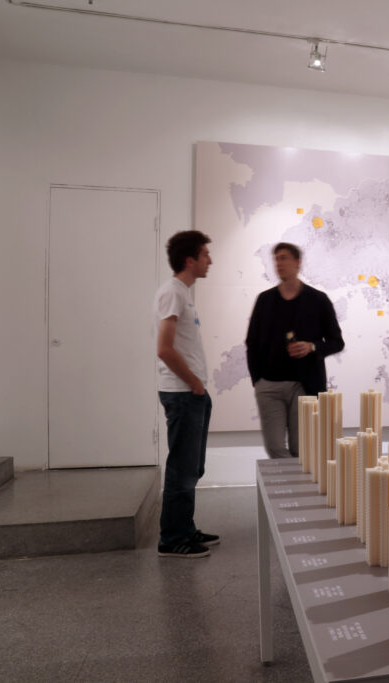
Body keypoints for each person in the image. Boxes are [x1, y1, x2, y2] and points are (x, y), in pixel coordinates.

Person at [154, 230, 219, 559]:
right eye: (206, 254)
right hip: (182, 394)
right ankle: (173, 538)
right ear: (190, 260)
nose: (211, 260)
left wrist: (199, 388)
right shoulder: (173, 293)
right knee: (182, 467)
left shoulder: (183, 293)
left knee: (192, 467)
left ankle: (185, 527)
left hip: (192, 393)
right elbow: (164, 349)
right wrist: (194, 383)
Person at [246, 242, 344, 459]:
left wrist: (312, 346)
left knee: (301, 449)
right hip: (269, 385)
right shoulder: (265, 300)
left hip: (305, 385)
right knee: (274, 447)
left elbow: (337, 342)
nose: (278, 263)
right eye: (276, 259)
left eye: (283, 258)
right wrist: (257, 379)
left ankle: (299, 491)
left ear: (297, 262)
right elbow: (251, 342)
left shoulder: (318, 300)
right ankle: (288, 489)